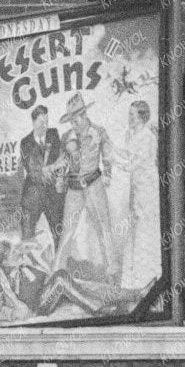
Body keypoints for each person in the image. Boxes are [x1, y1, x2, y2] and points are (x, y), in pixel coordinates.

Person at [54, 96, 118, 280]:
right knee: (67, 231)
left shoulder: (98, 132)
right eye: (71, 120)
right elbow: (63, 161)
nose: (73, 123)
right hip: (74, 189)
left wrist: (107, 172)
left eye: (76, 119)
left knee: (104, 228)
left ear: (84, 114)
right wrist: (60, 179)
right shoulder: (66, 138)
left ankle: (112, 270)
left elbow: (107, 153)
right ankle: (58, 273)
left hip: (94, 185)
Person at [116, 99, 162, 291]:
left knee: (145, 231)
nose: (129, 118)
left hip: (147, 189)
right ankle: (133, 280)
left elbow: (134, 163)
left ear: (142, 117)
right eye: (129, 115)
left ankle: (146, 277)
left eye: (132, 115)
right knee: (135, 231)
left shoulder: (147, 137)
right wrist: (113, 150)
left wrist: (117, 162)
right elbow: (127, 155)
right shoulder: (133, 135)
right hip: (137, 189)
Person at [17, 104, 62, 249]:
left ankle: (58, 266)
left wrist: (58, 174)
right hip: (33, 194)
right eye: (42, 122)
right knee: (28, 236)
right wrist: (52, 168)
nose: (45, 125)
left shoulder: (53, 134)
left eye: (47, 121)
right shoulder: (25, 143)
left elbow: (61, 158)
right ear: (34, 122)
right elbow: (33, 171)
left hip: (52, 193)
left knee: (59, 233)